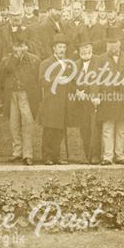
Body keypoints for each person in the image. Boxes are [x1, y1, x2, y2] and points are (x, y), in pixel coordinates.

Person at [0, 29, 39, 165]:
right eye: (17, 46)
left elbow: (37, 81)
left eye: (22, 45)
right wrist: (15, 57)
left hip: (26, 95)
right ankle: (17, 152)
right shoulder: (7, 60)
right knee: (14, 124)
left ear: (26, 46)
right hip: (12, 95)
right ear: (13, 46)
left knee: (27, 123)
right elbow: (4, 76)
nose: (20, 49)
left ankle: (28, 154)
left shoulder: (33, 60)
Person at [95, 27, 124, 165]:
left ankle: (120, 155)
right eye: (110, 43)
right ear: (107, 45)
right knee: (108, 127)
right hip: (107, 97)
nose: (113, 45)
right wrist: (96, 95)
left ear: (120, 43)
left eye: (115, 42)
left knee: (121, 129)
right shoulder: (100, 59)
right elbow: (96, 79)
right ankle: (107, 156)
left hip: (123, 97)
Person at [38, 34, 72, 165]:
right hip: (51, 102)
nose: (62, 50)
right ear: (54, 48)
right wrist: (57, 80)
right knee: (50, 130)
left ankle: (56, 156)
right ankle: (47, 156)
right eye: (59, 47)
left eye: (64, 47)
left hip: (63, 103)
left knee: (60, 131)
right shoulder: (46, 63)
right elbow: (41, 81)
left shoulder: (68, 64)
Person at [68, 39, 100, 164]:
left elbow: (103, 80)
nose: (85, 51)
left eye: (87, 48)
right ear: (79, 51)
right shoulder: (75, 64)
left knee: (96, 129)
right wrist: (77, 92)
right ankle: (88, 155)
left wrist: (97, 96)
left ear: (91, 48)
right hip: (81, 103)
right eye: (82, 48)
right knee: (85, 130)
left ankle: (96, 155)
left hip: (95, 101)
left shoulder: (99, 61)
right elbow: (71, 83)